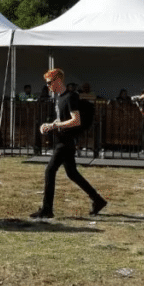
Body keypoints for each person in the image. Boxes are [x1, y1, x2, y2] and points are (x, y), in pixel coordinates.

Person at [30, 68, 107, 219]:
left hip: (66, 141)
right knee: (72, 173)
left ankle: (47, 209)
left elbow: (75, 120)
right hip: (63, 139)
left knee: (50, 171)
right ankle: (98, 200)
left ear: (58, 80)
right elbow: (61, 120)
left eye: (49, 82)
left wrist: (54, 126)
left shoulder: (71, 97)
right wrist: (49, 125)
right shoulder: (59, 98)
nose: (48, 86)